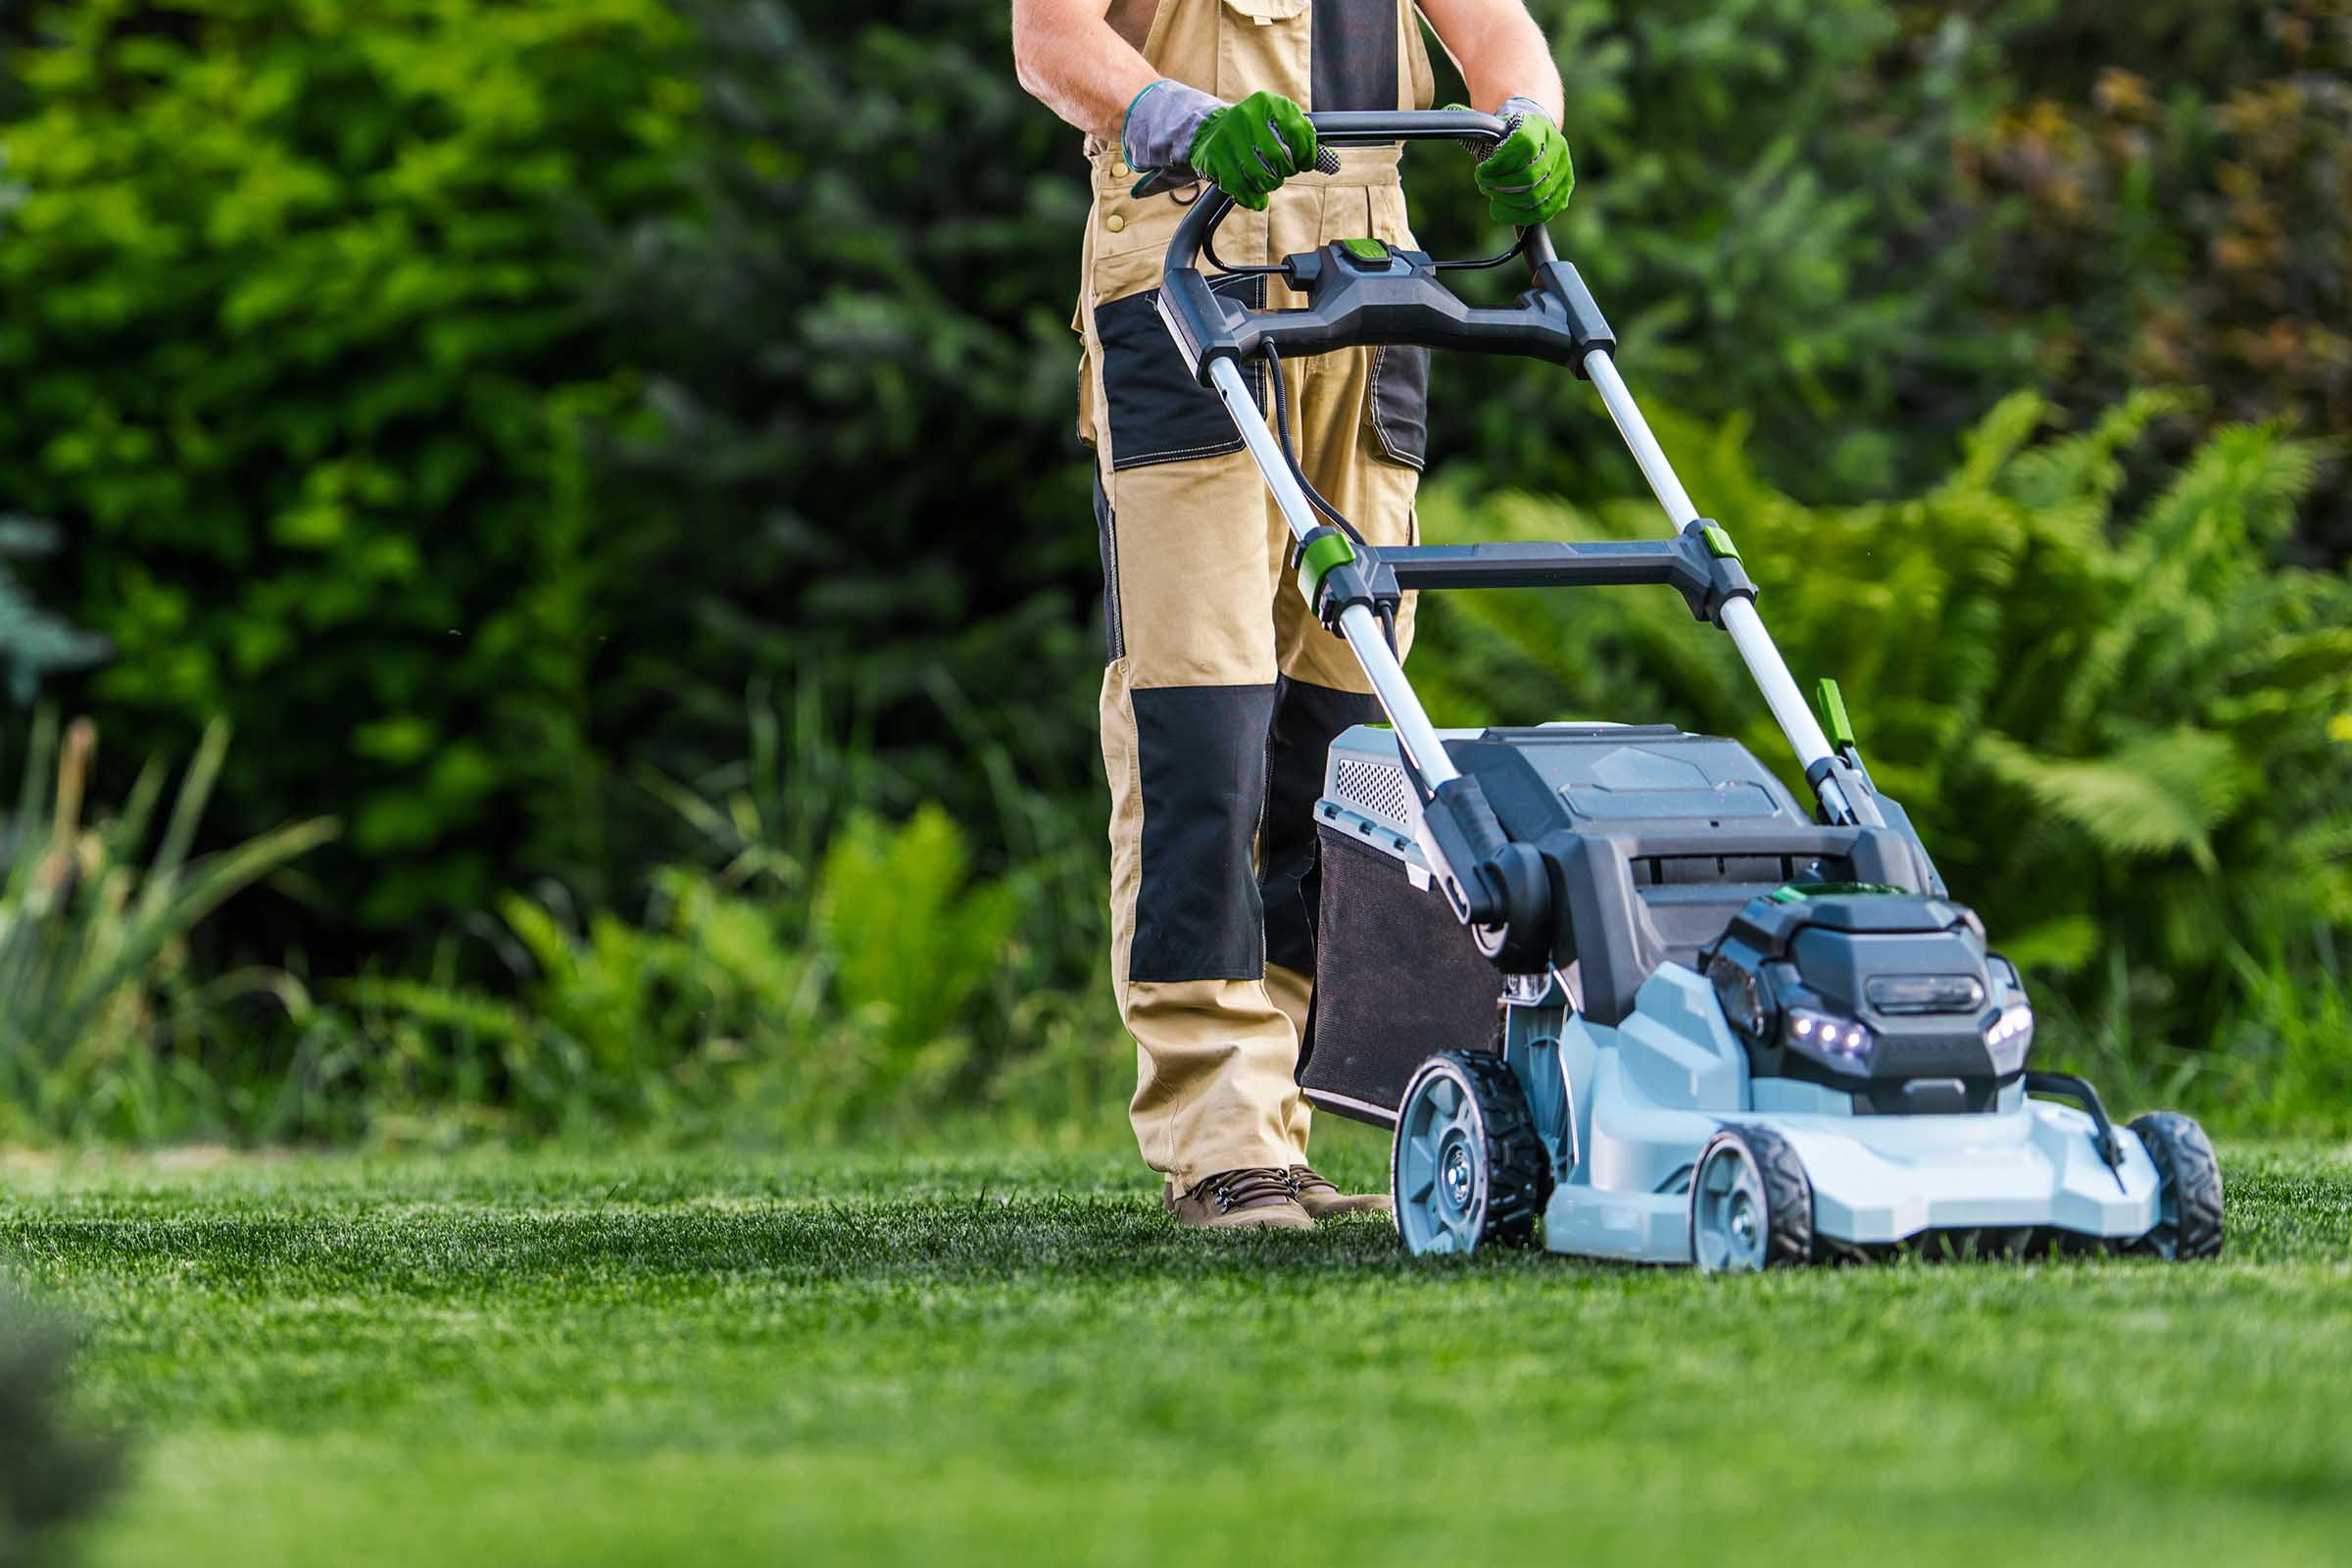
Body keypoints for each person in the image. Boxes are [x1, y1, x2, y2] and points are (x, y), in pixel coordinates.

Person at [1012, 0, 1576, 1229]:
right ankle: (1220, 1133)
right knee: (1200, 718)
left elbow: (1500, 34)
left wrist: (1530, 116)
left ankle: (1290, 1119)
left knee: (1346, 731)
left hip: (1366, 294)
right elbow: (1049, 39)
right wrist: (1182, 120)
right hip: (1184, 267)